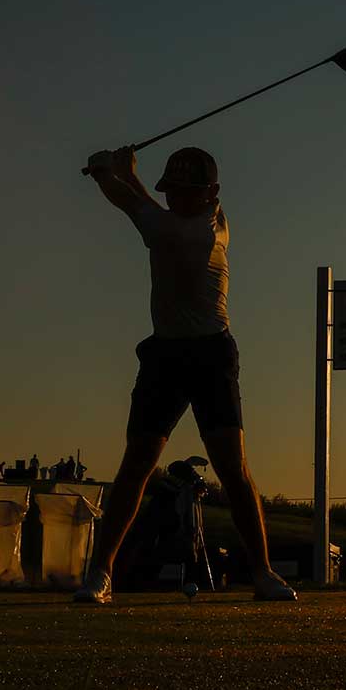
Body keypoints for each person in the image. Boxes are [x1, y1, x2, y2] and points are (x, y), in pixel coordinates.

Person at [76, 144, 296, 603]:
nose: (176, 198)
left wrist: (105, 172)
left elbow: (134, 206)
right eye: (171, 190)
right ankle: (100, 574)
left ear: (210, 193)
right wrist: (126, 174)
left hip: (212, 355)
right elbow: (148, 207)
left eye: (185, 191)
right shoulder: (199, 219)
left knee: (232, 467)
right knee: (137, 463)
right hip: (165, 355)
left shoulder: (203, 234)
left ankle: (263, 572)